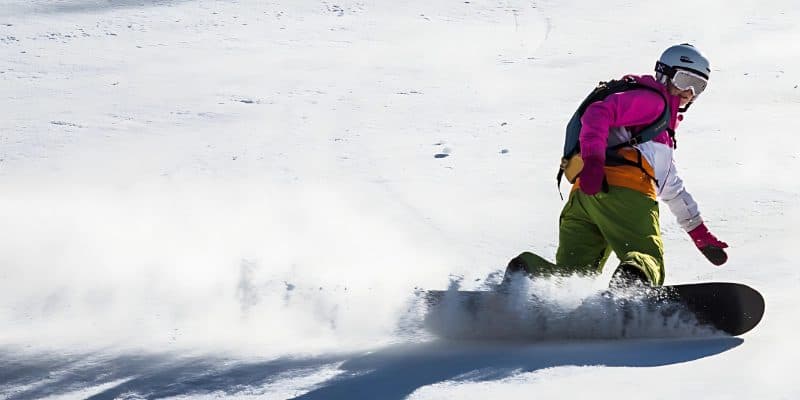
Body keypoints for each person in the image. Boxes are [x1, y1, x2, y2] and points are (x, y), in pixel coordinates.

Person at [507, 43, 728, 287]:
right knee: (647, 257)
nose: (689, 92)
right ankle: (629, 293)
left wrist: (700, 234)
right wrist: (593, 161)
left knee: (572, 279)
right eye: (684, 79)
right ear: (664, 74)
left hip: (583, 198)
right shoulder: (654, 102)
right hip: (625, 194)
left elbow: (672, 189)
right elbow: (597, 113)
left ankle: (526, 274)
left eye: (699, 86)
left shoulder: (660, 134)